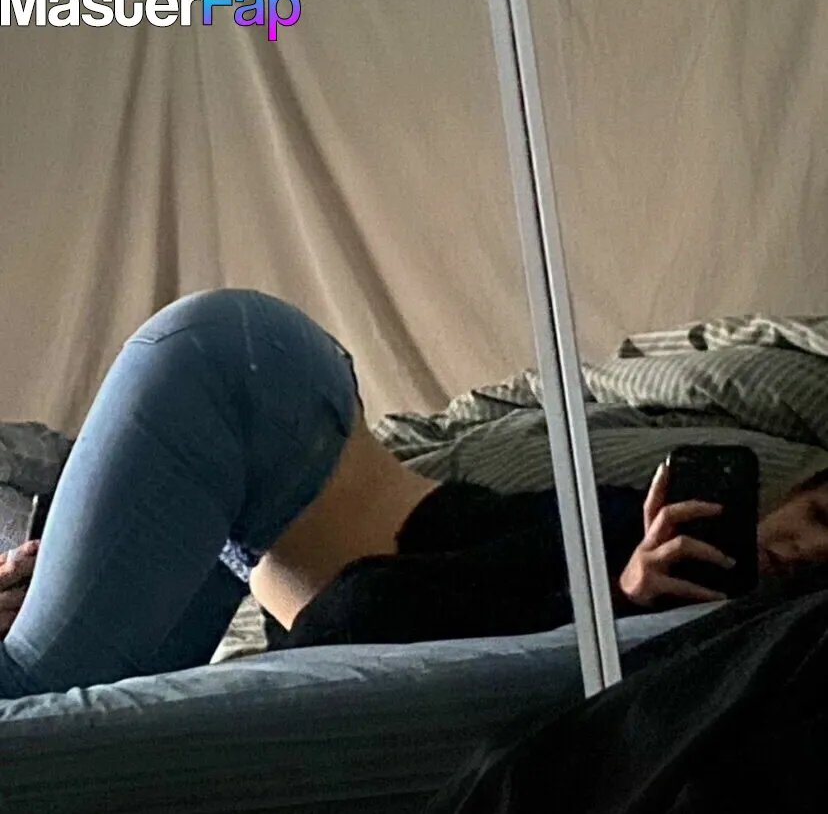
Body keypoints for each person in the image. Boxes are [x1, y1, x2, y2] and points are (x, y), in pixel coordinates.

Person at [2, 288, 828, 698]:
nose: (811, 549)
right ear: (792, 492)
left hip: (250, 509)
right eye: (822, 516)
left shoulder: (742, 658)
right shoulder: (632, 525)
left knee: (78, 717)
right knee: (27, 699)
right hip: (249, 392)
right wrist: (619, 602)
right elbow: (371, 603)